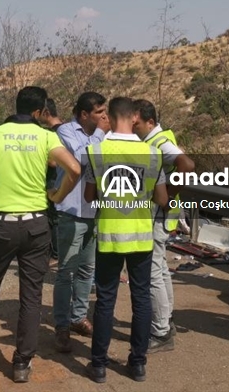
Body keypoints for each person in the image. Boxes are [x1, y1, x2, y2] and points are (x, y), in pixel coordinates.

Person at [0, 86, 80, 384]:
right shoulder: (47, 136)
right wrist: (56, 196)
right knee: (31, 296)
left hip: (2, 224)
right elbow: (74, 168)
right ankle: (22, 364)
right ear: (39, 112)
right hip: (37, 226)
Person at [83, 96, 168, 383]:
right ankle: (138, 363)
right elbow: (162, 198)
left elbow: (88, 197)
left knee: (105, 300)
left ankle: (97, 366)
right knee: (141, 299)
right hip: (141, 238)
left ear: (110, 115)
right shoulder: (152, 153)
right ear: (134, 117)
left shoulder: (96, 151)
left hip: (109, 236)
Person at [132, 99, 194, 353]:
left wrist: (167, 195)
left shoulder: (158, 142)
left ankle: (160, 332)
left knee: (153, 272)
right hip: (162, 213)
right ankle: (165, 321)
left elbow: (187, 165)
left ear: (149, 121)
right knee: (160, 269)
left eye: (136, 123)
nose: (133, 127)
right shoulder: (154, 141)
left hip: (157, 214)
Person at [51, 91, 108, 354]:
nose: (104, 117)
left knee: (87, 270)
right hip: (71, 211)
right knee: (66, 272)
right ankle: (61, 326)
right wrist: (99, 135)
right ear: (84, 114)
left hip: (93, 211)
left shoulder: (102, 134)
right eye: (99, 112)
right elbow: (81, 157)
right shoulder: (66, 131)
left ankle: (78, 317)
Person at [39, 98, 64, 261]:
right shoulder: (67, 129)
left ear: (46, 112)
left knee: (54, 218)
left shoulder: (55, 133)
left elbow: (55, 162)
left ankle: (55, 252)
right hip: (59, 180)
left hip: (54, 180)